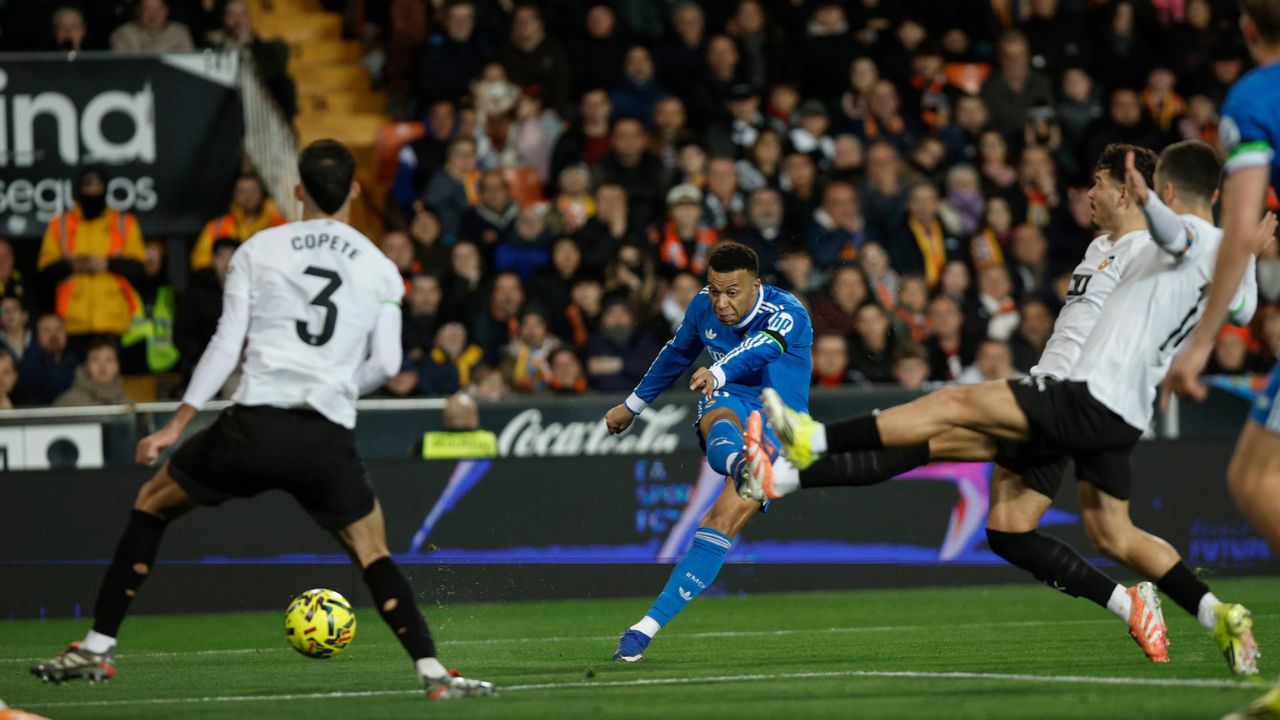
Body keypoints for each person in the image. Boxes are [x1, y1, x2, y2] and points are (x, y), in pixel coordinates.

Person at [744, 142, 1263, 676]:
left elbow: (1185, 238)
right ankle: (1206, 612)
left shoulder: (1155, 244)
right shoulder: (1109, 248)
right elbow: (1240, 302)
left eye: (1101, 184)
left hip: (1074, 396)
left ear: (1135, 191)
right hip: (1103, 410)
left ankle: (808, 445)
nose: (1089, 194)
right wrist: (1247, 252)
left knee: (949, 405)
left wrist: (1168, 209)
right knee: (1048, 530)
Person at [28, 140, 494, 700]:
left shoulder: (259, 249)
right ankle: (433, 674)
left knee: (153, 504)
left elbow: (227, 344)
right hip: (323, 436)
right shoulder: (380, 266)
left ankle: (96, 647)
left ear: (296, 190)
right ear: (352, 190)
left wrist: (177, 424)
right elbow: (390, 365)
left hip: (251, 428)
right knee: (372, 551)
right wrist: (339, 391)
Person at [603, 241, 812, 661]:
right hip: (731, 399)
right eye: (714, 290)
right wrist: (632, 405)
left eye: (731, 292)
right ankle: (741, 463)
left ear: (755, 285)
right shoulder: (702, 306)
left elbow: (764, 347)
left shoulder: (789, 312)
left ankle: (646, 627)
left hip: (780, 421)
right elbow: (677, 353)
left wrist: (717, 369)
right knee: (718, 418)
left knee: (720, 522)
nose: (720, 302)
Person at [37, 167, 146, 359]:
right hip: (73, 323)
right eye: (88, 185)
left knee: (110, 380)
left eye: (98, 185)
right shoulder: (60, 224)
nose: (93, 191)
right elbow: (45, 272)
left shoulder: (124, 222)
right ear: (79, 188)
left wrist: (107, 264)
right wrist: (73, 265)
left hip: (114, 321)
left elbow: (138, 268)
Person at [190, 174, 286, 270]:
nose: (248, 197)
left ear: (262, 193)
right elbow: (200, 260)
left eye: (253, 191)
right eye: (242, 192)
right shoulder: (217, 227)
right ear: (234, 195)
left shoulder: (278, 224)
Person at [13, 313, 77, 406]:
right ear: (37, 335)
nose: (54, 334)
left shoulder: (76, 362)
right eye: (47, 330)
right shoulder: (27, 368)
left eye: (58, 329)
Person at [53, 339, 132, 407]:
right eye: (95, 359)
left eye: (109, 359)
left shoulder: (127, 405)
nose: (102, 366)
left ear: (117, 366)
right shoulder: (69, 402)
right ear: (86, 366)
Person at [110, 0, 194, 54]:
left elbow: (186, 63)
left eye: (157, 9)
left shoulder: (180, 32)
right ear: (138, 11)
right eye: (147, 10)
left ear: (166, 11)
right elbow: (121, 67)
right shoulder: (122, 34)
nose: (153, 15)